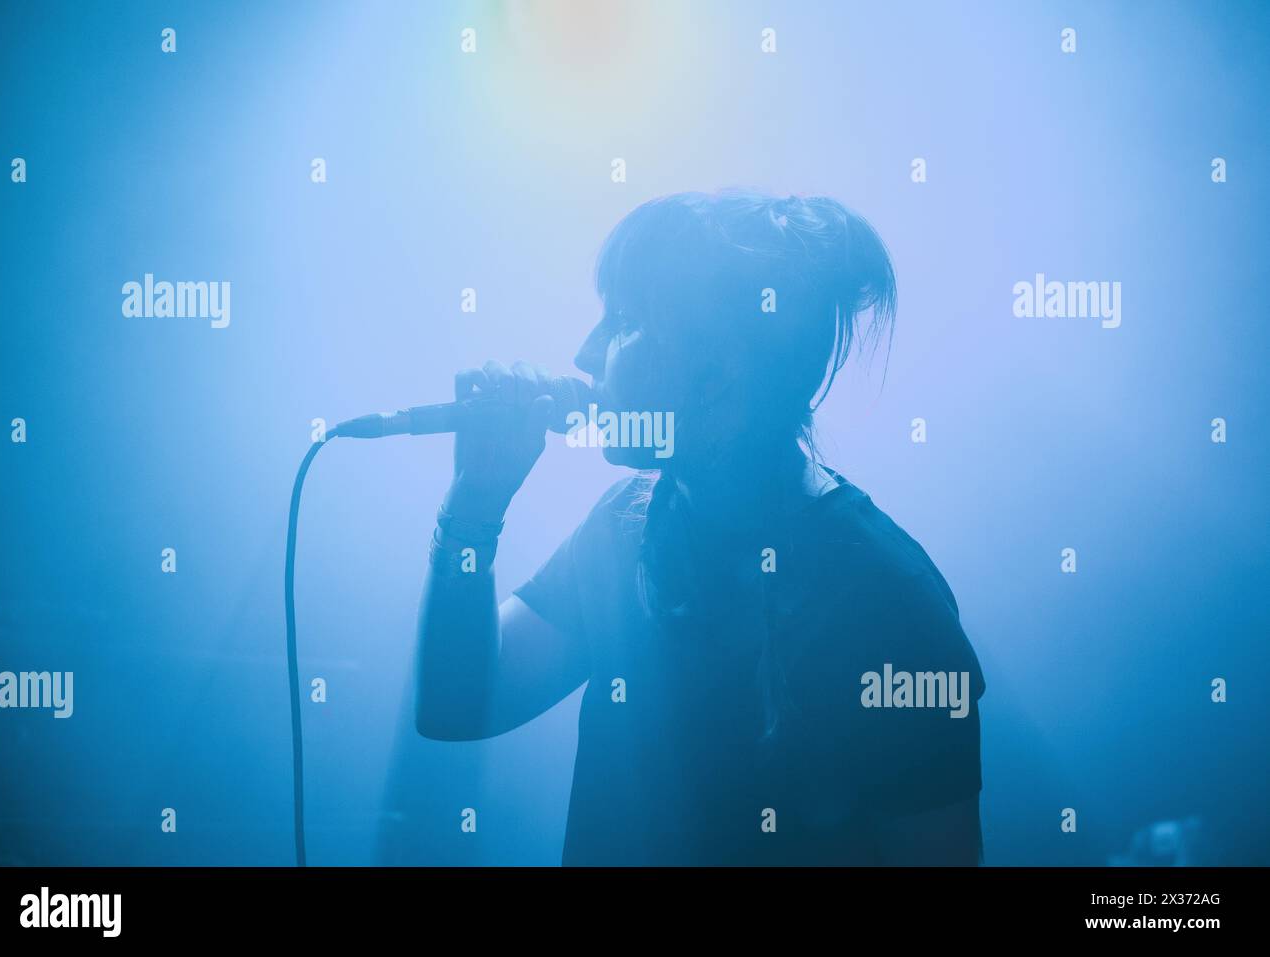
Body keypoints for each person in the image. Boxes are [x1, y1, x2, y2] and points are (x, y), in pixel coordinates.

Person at [413, 190, 986, 865]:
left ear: (715, 375)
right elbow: (458, 705)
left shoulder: (889, 600)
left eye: (623, 321)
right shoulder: (623, 528)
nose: (585, 352)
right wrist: (476, 504)